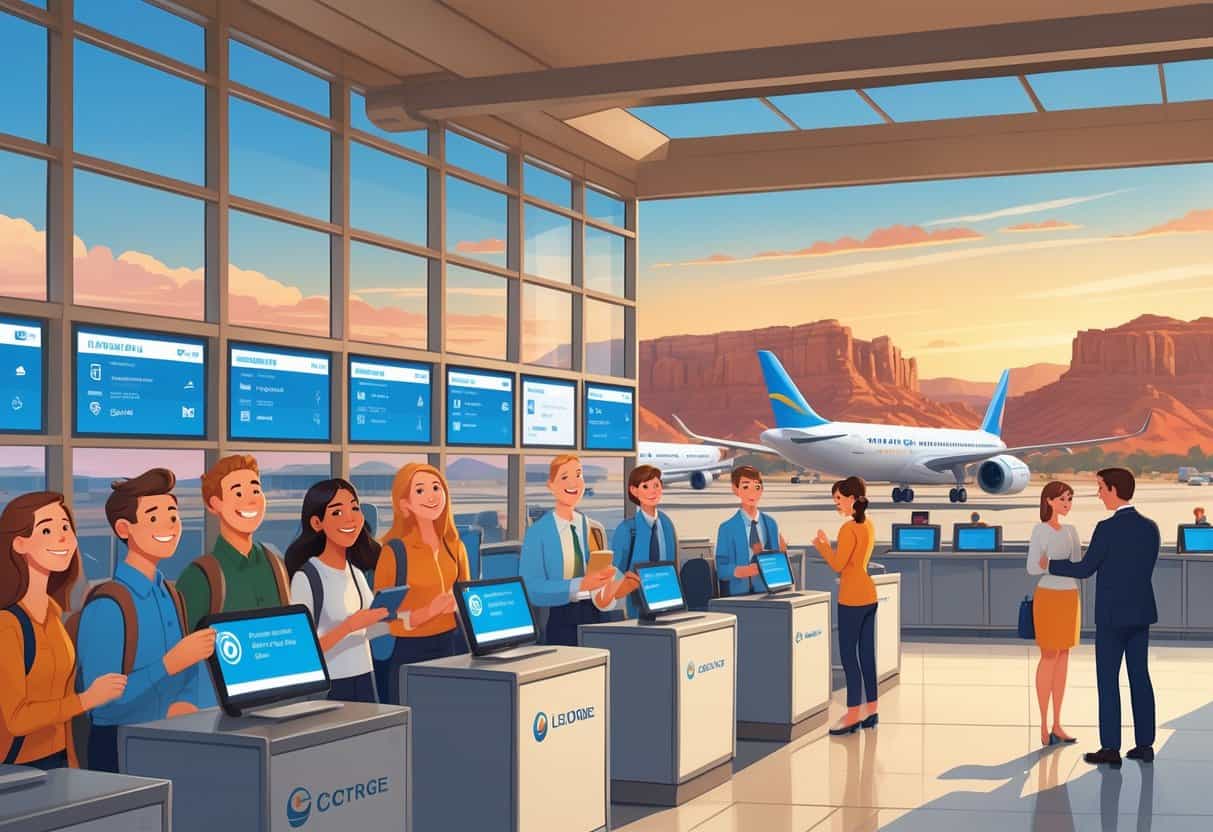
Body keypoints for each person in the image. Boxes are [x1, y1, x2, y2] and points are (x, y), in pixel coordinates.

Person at [76, 469, 218, 772]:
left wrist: (188, 702)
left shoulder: (171, 593)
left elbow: (190, 673)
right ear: (125, 528)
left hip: (170, 738)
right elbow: (101, 703)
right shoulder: (109, 605)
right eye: (154, 517)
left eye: (173, 514)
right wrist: (168, 665)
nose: (170, 524)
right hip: (119, 748)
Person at [1041, 468, 1159, 767]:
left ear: (1114, 490)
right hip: (1141, 612)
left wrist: (1051, 564)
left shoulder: (1106, 529)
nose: (1098, 494)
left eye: (1101, 488)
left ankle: (1111, 748)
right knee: (1140, 678)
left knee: (1108, 681)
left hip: (1111, 617)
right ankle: (1145, 745)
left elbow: (1085, 569)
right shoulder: (1151, 528)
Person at [0, 492, 126, 769]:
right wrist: (86, 699)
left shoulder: (54, 616)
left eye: (65, 527)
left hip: (57, 762)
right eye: (47, 529)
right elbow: (17, 718)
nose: (62, 538)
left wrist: (72, 764)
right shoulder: (7, 625)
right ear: (19, 543)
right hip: (15, 769)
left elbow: (61, 705)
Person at [286, 479, 395, 703]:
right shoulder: (306, 578)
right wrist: (349, 626)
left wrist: (398, 616)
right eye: (337, 512)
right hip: (330, 684)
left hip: (365, 676)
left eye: (355, 508)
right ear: (317, 523)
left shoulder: (355, 572)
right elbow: (303, 650)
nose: (350, 518)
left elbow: (368, 631)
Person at [375, 464, 471, 705]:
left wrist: (457, 604)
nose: (432, 495)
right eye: (420, 490)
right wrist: (426, 613)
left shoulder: (455, 547)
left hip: (453, 647)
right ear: (404, 504)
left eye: (436, 487)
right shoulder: (394, 552)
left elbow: (468, 595)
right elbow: (381, 615)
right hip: (411, 651)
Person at [521, 455, 637, 646]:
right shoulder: (538, 533)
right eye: (565, 477)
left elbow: (600, 592)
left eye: (578, 475)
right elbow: (533, 589)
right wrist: (579, 585)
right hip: (560, 620)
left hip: (595, 619)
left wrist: (616, 590)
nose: (574, 483)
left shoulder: (593, 529)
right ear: (551, 485)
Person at [177, 455, 291, 631]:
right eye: (238, 493)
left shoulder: (276, 565)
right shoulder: (199, 578)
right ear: (214, 504)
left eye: (255, 491)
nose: (251, 500)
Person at [813, 476, 878, 734]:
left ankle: (852, 715)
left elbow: (839, 565)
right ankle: (871, 712)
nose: (837, 504)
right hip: (869, 595)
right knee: (867, 656)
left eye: (838, 499)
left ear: (852, 498)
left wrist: (822, 546)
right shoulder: (868, 525)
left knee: (849, 658)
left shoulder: (848, 529)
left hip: (851, 598)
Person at [1026, 481, 1082, 748]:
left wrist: (1050, 563)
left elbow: (1077, 565)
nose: (1067, 504)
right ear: (1048, 501)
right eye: (1062, 499)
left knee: (1064, 656)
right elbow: (1032, 568)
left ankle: (1058, 722)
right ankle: (1043, 722)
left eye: (1069, 499)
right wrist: (1053, 566)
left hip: (1069, 596)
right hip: (1048, 596)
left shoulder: (1071, 530)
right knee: (1049, 655)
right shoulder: (1040, 530)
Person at [610, 465, 678, 618]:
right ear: (634, 491)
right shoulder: (627, 529)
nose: (652, 491)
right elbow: (615, 573)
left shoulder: (666, 523)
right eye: (645, 486)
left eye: (656, 485)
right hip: (637, 604)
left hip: (666, 600)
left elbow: (672, 565)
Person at [715, 466, 787, 596]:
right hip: (739, 595)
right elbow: (721, 569)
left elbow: (777, 564)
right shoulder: (727, 528)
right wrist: (744, 571)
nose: (752, 493)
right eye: (746, 487)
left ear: (762, 490)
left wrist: (782, 556)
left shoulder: (770, 524)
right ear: (735, 490)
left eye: (757, 487)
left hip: (770, 592)